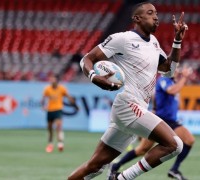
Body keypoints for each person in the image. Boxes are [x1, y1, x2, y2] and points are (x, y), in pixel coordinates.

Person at [67, 2, 188, 180]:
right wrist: (93, 76)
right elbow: (87, 59)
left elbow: (169, 70)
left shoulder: (154, 43)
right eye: (150, 13)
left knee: (95, 166)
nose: (156, 17)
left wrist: (177, 41)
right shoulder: (122, 39)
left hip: (136, 109)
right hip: (129, 105)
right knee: (174, 144)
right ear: (137, 18)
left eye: (156, 13)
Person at [109, 66, 195, 180]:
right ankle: (116, 165)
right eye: (176, 68)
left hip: (172, 121)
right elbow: (172, 90)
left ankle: (174, 169)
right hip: (160, 121)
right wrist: (184, 77)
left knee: (189, 139)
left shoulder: (174, 82)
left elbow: (162, 95)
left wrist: (183, 78)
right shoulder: (164, 80)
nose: (178, 70)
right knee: (143, 149)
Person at [41, 74, 78, 153]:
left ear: (57, 81)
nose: (51, 81)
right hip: (50, 110)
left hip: (58, 109)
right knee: (50, 128)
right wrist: (43, 106)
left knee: (58, 126)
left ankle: (60, 143)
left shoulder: (62, 89)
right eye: (51, 80)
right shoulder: (47, 89)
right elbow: (43, 99)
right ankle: (50, 144)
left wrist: (75, 105)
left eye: (53, 79)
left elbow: (69, 97)